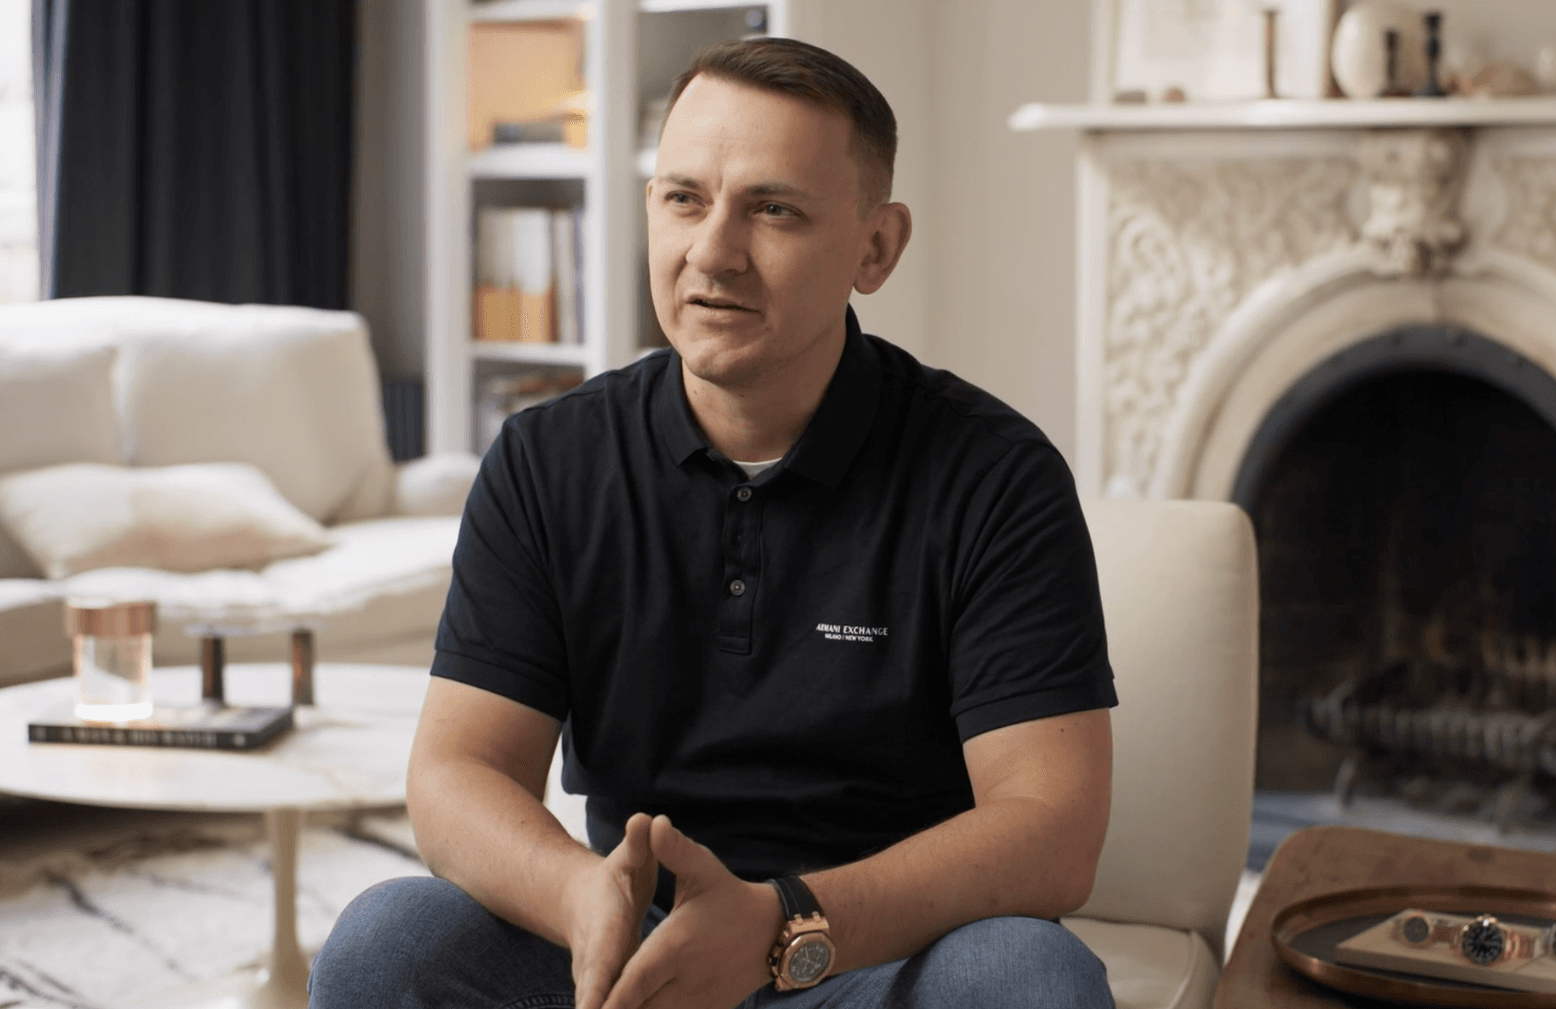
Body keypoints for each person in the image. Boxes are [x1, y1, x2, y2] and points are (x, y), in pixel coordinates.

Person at [310, 36, 1118, 1009]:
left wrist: (779, 926)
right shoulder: (545, 461)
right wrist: (581, 898)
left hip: (867, 953)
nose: (712, 251)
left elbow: (1051, 831)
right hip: (625, 959)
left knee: (1031, 980)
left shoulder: (994, 475)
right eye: (684, 197)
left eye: (773, 209)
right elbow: (456, 771)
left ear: (877, 246)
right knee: (385, 945)